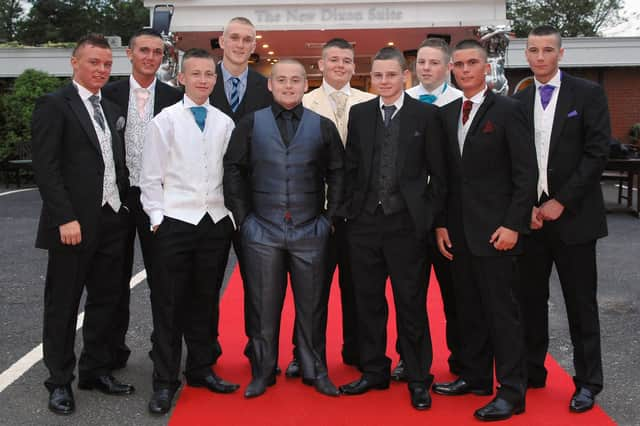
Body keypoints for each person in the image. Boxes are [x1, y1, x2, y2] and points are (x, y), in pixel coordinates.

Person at [223, 59, 344, 399]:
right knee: (262, 306)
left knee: (313, 306)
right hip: (262, 229)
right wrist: (244, 219)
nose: (289, 86)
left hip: (311, 228)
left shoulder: (322, 126)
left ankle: (314, 369)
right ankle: (262, 371)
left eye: (295, 80)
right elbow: (233, 169)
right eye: (282, 80)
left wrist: (329, 217)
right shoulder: (250, 124)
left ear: (306, 84)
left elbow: (338, 172)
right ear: (270, 85)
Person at [431, 39, 537, 422]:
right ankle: (475, 378)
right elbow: (444, 178)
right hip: (459, 233)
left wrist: (513, 225)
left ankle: (512, 392)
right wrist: (441, 223)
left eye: (471, 62)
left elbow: (526, 175)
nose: (464, 70)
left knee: (502, 315)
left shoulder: (508, 110)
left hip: (498, 234)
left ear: (485, 66)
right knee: (469, 311)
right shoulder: (446, 114)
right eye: (458, 64)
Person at [338, 46, 445, 411]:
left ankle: (418, 377)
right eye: (378, 75)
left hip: (406, 225)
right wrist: (352, 212)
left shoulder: (426, 116)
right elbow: (352, 167)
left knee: (410, 303)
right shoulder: (360, 113)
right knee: (367, 303)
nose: (384, 81)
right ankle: (373, 371)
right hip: (364, 224)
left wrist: (425, 217)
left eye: (391, 74)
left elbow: (439, 175)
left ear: (405, 76)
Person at [32, 34, 134, 416]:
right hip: (72, 225)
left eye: (107, 64)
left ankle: (95, 369)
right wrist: (65, 217)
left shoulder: (108, 107)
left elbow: (112, 162)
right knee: (63, 303)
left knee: (107, 299)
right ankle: (59, 381)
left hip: (112, 218)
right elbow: (47, 167)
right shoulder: (54, 105)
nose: (102, 70)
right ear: (75, 63)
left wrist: (122, 207)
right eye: (94, 62)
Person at [514, 25, 610, 413]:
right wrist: (526, 209)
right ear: (527, 56)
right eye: (533, 50)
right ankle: (532, 371)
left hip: (574, 220)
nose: (540, 57)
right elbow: (515, 162)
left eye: (547, 50)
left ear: (561, 53)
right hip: (531, 220)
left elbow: (597, 152)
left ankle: (587, 383)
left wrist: (561, 201)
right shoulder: (516, 101)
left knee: (580, 304)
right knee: (530, 302)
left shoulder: (588, 94)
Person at [140, 48, 239, 414]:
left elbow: (230, 174)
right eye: (195, 73)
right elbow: (149, 177)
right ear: (181, 78)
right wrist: (156, 217)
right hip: (174, 224)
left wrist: (229, 215)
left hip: (214, 224)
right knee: (169, 304)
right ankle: (165, 381)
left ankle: (201, 368)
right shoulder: (163, 121)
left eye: (209, 75)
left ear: (215, 79)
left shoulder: (224, 122)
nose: (202, 80)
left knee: (205, 302)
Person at [273, 37, 375, 378]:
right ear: (321, 64)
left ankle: (358, 350)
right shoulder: (302, 103)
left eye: (347, 60)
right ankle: (304, 354)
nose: (340, 66)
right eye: (333, 60)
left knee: (360, 288)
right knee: (311, 291)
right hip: (315, 214)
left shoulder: (371, 102)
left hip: (360, 215)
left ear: (354, 66)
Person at [102, 28, 183, 371]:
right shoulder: (107, 95)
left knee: (163, 282)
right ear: (130, 54)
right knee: (113, 282)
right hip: (117, 200)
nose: (151, 57)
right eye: (144, 51)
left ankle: (162, 352)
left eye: (156, 52)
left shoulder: (175, 97)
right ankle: (112, 352)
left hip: (159, 200)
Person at [394, 36, 463, 382]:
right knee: (410, 296)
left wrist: (444, 218)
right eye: (421, 62)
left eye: (434, 63)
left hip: (449, 220)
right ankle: (409, 359)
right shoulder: (400, 103)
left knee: (456, 296)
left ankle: (462, 361)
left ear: (448, 67)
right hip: (408, 221)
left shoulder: (462, 103)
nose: (426, 68)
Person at [209, 16, 273, 366]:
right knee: (205, 283)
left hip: (254, 203)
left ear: (253, 45)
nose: (239, 44)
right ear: (221, 41)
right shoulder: (200, 80)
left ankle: (259, 351)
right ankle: (205, 352)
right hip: (207, 201)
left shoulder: (267, 88)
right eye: (233, 37)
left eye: (247, 39)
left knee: (259, 285)